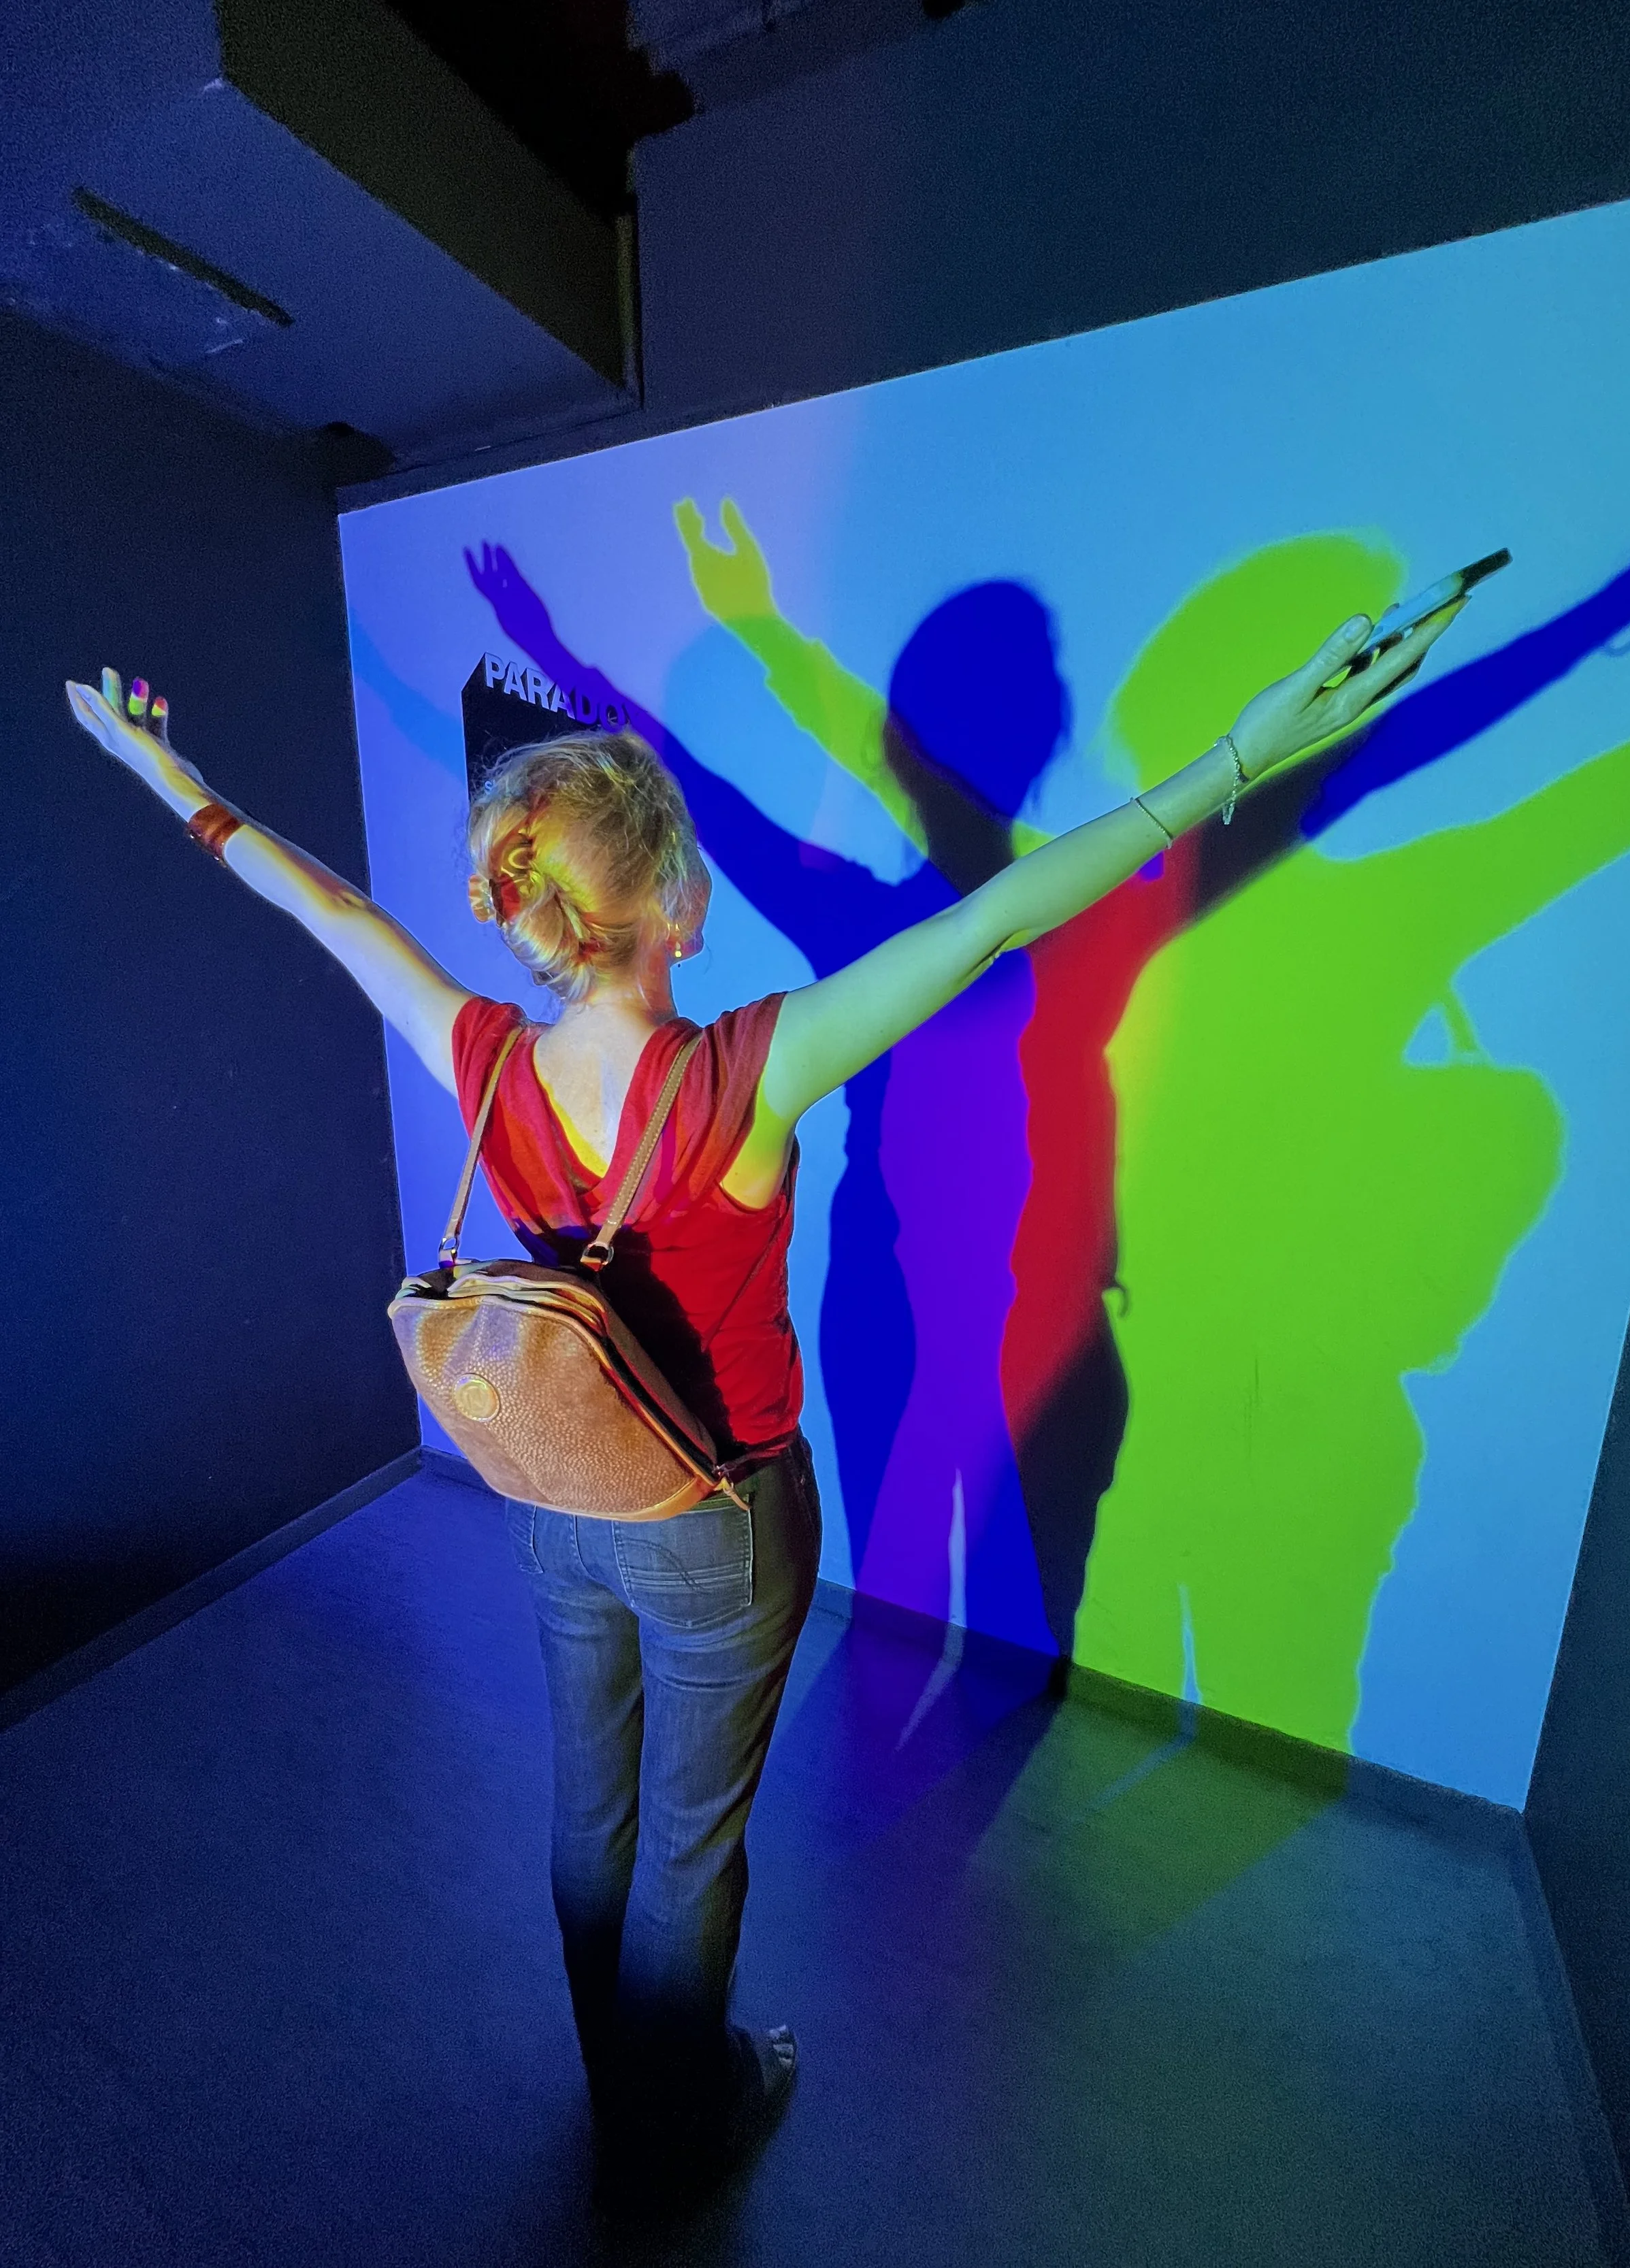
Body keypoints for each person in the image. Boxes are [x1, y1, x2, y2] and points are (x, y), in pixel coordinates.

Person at [63, 597, 1458, 2187]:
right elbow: (994, 920)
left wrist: (163, 772)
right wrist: (1230, 758)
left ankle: (617, 2085)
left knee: (588, 1812)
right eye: (689, 868)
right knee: (688, 1840)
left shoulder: (484, 1058)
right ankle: (684, 2115)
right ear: (664, 903)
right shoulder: (752, 1066)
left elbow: (320, 905)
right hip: (722, 1515)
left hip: (552, 1497)